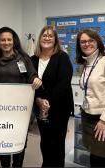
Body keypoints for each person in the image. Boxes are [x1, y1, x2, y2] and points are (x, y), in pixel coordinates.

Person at [0, 26, 42, 167]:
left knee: (19, 142)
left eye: (9, 39)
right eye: (3, 40)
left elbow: (32, 75)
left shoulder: (24, 58)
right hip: (1, 111)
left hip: (20, 110)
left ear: (14, 41)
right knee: (3, 143)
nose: (6, 42)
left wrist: (36, 80)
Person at [75, 29, 105, 167]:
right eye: (83, 42)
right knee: (94, 154)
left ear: (97, 42)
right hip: (88, 116)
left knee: (100, 157)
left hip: (104, 118)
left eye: (91, 40)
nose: (87, 44)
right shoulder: (86, 64)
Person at [31, 26, 74, 167]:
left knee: (57, 142)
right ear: (40, 39)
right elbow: (30, 82)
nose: (47, 38)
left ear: (55, 40)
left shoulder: (62, 57)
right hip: (40, 107)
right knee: (45, 140)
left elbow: (64, 83)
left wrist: (47, 101)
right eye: (44, 35)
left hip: (60, 108)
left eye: (51, 36)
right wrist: (38, 101)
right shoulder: (33, 59)